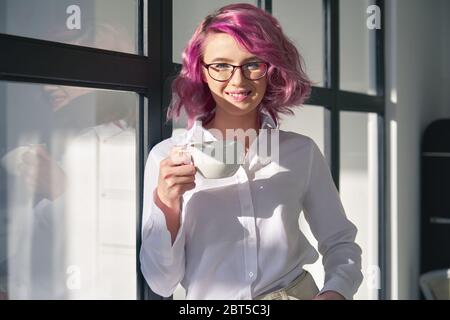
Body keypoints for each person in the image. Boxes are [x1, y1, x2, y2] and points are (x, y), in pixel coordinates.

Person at [140, 3, 363, 300]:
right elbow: (160, 282)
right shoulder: (167, 157)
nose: (238, 80)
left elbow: (341, 243)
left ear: (271, 69)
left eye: (253, 64)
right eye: (221, 65)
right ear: (201, 71)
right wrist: (167, 202)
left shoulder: (301, 152)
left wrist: (336, 292)